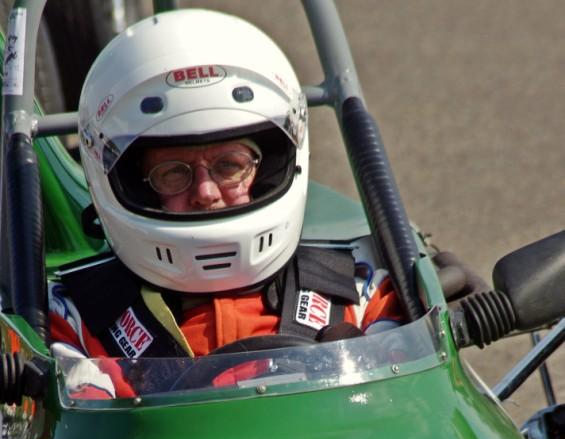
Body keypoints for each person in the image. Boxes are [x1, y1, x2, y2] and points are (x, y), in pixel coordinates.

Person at [48, 8, 480, 399]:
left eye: (229, 165)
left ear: (267, 167)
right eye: (173, 172)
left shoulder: (360, 290)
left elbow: (414, 414)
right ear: (133, 183)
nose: (206, 192)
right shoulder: (79, 314)